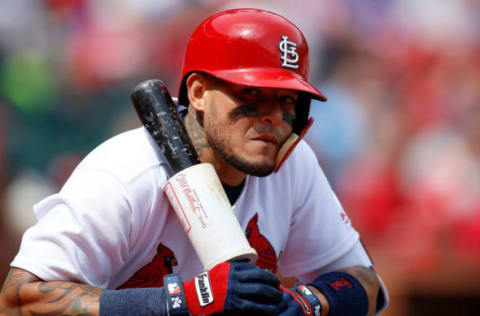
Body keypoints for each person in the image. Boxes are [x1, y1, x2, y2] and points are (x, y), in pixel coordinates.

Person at [0, 8, 388, 316]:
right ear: (199, 92)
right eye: (253, 93)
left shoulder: (293, 165)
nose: (273, 116)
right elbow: (19, 301)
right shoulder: (125, 173)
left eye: (287, 100)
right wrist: (184, 301)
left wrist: (307, 304)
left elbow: (365, 284)